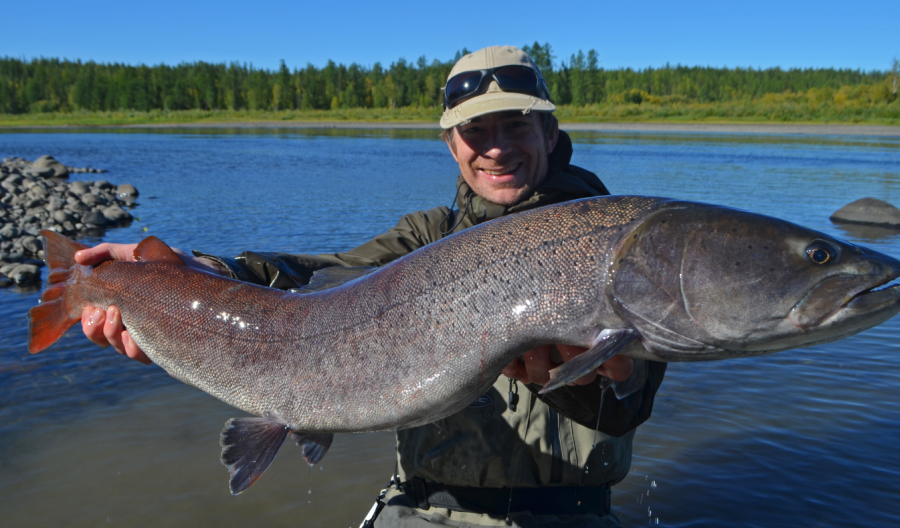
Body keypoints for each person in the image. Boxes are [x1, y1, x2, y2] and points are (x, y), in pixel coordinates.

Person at [78, 45, 667, 527]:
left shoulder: (614, 244)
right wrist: (196, 268)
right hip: (424, 509)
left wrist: (575, 380)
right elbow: (313, 276)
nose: (497, 146)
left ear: (548, 131)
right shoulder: (426, 236)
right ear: (451, 144)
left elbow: (628, 406)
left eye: (516, 124)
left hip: (569, 517)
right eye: (476, 130)